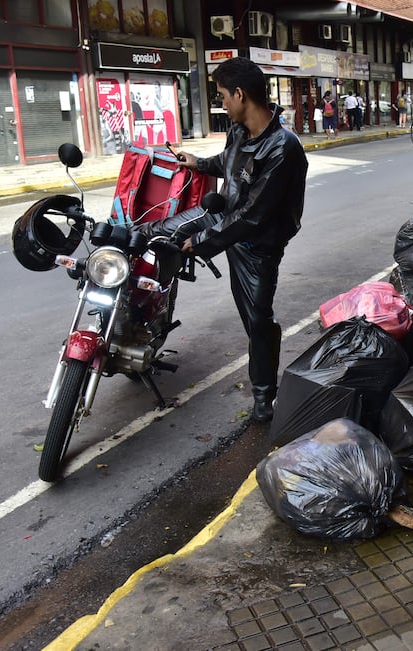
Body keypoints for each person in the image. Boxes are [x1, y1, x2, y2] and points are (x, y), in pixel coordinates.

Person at [147, 57, 309, 422]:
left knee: (257, 320)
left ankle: (265, 397)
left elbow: (253, 216)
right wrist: (200, 163)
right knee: (156, 232)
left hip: (257, 246)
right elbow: (230, 163)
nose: (220, 104)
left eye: (221, 96)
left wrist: (202, 241)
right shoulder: (239, 130)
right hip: (224, 221)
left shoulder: (283, 149)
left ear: (240, 94)